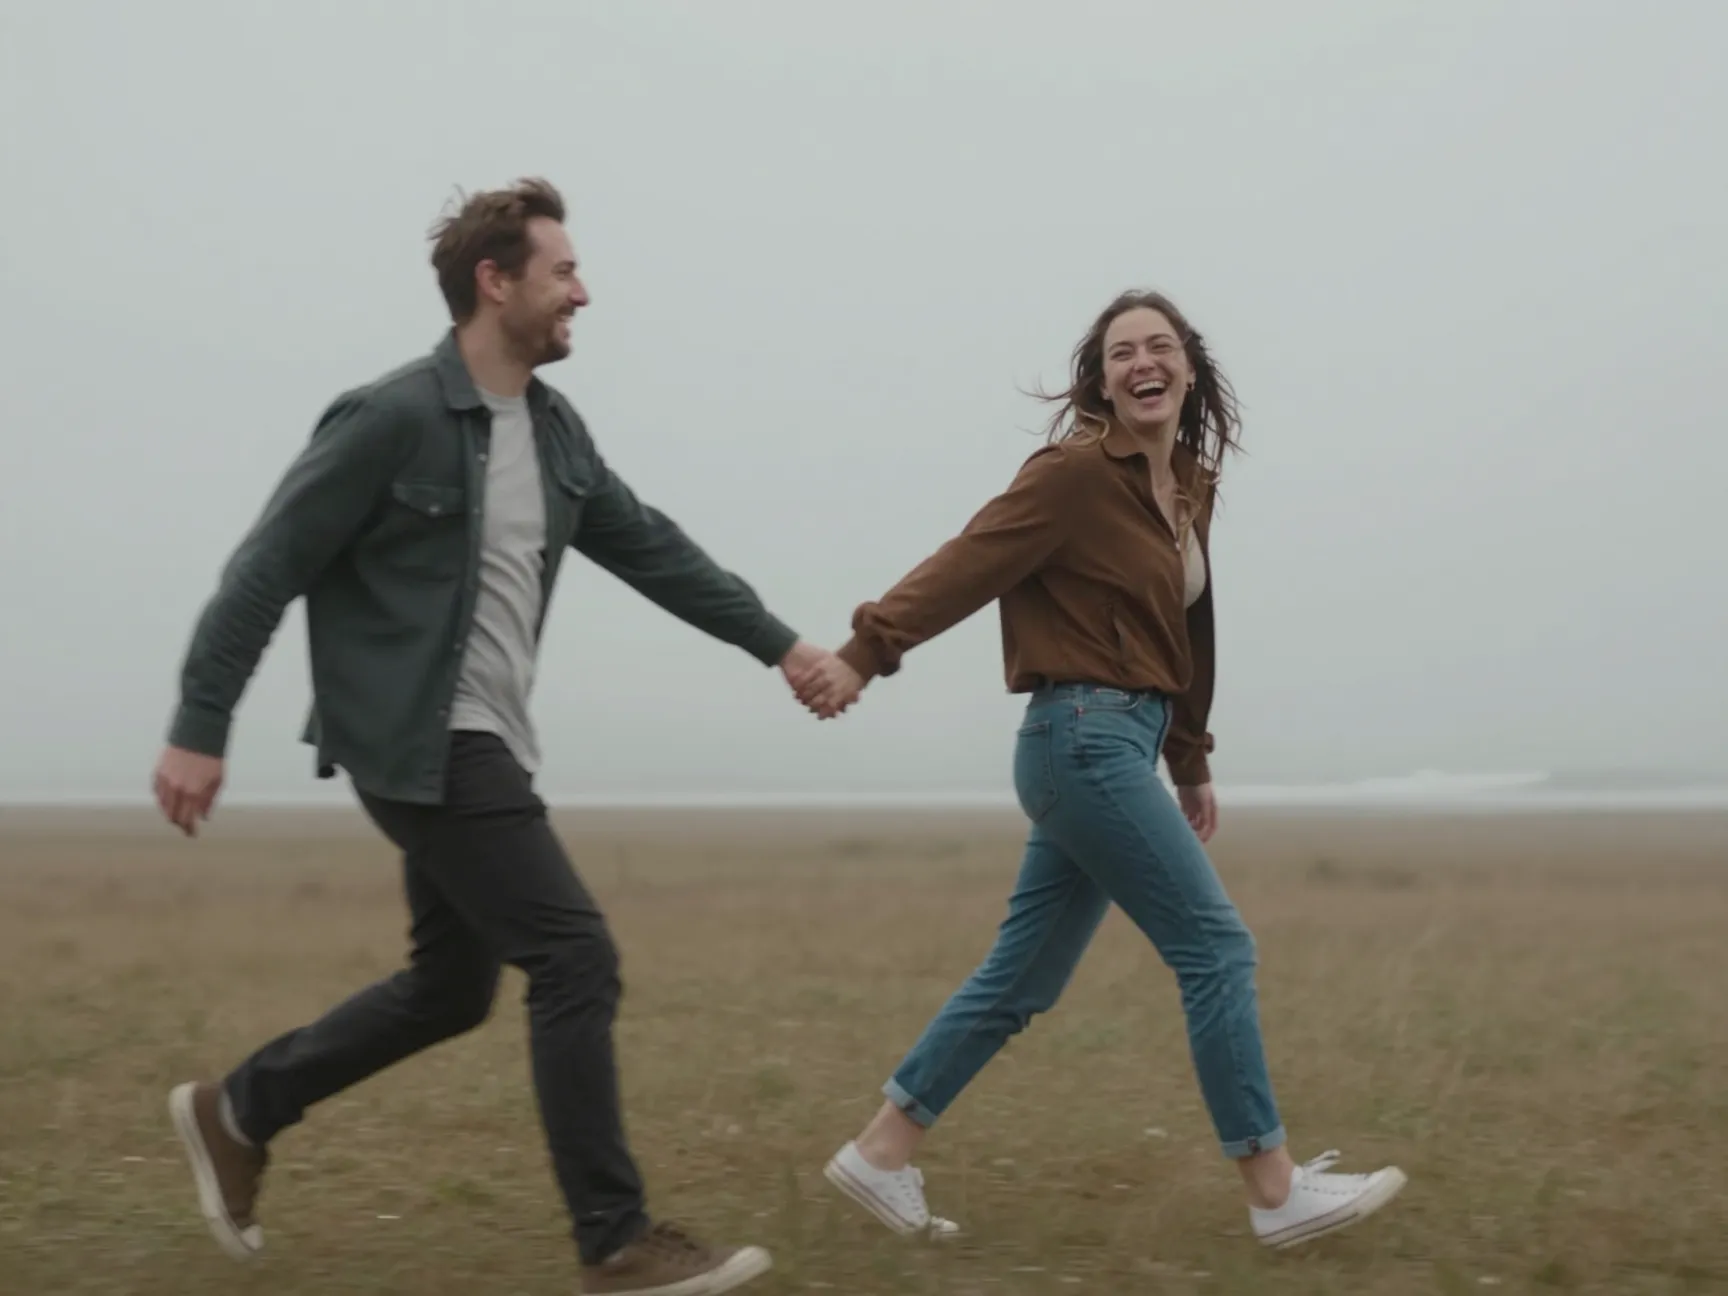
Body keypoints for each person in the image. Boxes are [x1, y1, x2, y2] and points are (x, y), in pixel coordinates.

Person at [153, 176, 821, 1296]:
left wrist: (783, 646)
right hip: (419, 736)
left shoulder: (554, 433)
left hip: (485, 740)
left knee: (451, 989)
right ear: (494, 281)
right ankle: (615, 1242)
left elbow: (653, 548)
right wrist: (198, 724)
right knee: (573, 955)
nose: (584, 294)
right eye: (564, 272)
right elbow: (266, 568)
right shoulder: (392, 418)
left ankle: (240, 1111)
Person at [789, 290, 1407, 1250]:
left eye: (1160, 346)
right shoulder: (1074, 475)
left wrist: (1189, 757)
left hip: (1114, 742)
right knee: (1216, 948)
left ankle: (880, 1152)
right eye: (1122, 352)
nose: (1142, 362)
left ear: (1189, 367)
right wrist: (864, 654)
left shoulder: (1188, 486)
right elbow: (967, 562)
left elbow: (1189, 632)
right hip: (1080, 736)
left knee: (1022, 976)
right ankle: (1275, 1189)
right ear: (1101, 379)